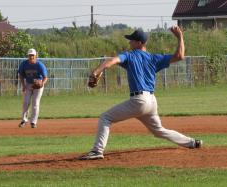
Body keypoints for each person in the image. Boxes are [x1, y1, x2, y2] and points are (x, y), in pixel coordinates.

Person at [80, 26, 203, 160]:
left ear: (139, 43)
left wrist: (96, 72)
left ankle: (97, 151)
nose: (129, 42)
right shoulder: (154, 58)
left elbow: (110, 61)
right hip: (151, 102)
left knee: (105, 118)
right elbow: (180, 56)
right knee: (159, 130)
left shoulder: (129, 55)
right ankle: (192, 142)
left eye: (132, 40)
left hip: (139, 101)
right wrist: (180, 37)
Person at [18, 48, 48, 128]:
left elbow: (45, 77)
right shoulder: (24, 64)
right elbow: (20, 75)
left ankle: (33, 122)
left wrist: (42, 83)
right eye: (30, 55)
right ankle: (24, 120)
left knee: (35, 103)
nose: (31, 57)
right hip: (28, 84)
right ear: (28, 56)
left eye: (33, 55)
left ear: (36, 56)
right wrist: (23, 85)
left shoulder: (40, 65)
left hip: (38, 87)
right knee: (26, 102)